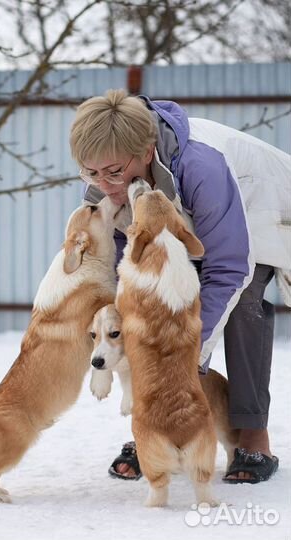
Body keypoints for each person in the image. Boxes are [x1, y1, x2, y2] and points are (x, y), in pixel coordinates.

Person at [69, 89, 291, 484]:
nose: (104, 184)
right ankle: (151, 430)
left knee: (243, 303)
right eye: (91, 172)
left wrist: (189, 351)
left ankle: (253, 436)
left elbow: (229, 265)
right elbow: (128, 269)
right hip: (193, 225)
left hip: (261, 214)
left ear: (148, 149)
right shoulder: (106, 181)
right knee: (148, 300)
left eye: (114, 172)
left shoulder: (201, 165)